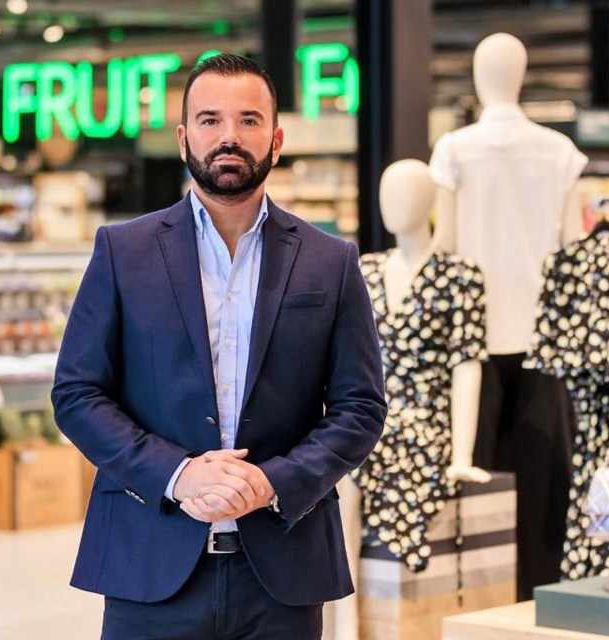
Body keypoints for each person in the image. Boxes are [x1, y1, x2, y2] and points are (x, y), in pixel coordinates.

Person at [51, 54, 387, 640]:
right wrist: (177, 474)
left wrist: (275, 481)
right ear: (184, 139)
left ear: (276, 140)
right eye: (210, 120)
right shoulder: (122, 251)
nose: (229, 136)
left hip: (283, 570)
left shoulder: (331, 262)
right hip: (149, 562)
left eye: (249, 120)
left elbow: (361, 407)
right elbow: (78, 394)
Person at [428, 32, 586, 600]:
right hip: (542, 333)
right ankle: (537, 598)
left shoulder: (453, 149)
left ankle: (481, 598)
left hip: (474, 336)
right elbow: (573, 245)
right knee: (544, 485)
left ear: (477, 77)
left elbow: (442, 244)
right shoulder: (558, 152)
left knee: (478, 478)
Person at [329, 159, 489, 640]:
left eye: (406, 194)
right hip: (366, 416)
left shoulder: (459, 275)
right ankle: (341, 625)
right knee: (331, 478)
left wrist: (462, 455)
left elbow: (467, 364)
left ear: (429, 203)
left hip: (424, 423)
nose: (393, 205)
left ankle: (347, 627)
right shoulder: (364, 268)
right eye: (388, 193)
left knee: (349, 475)